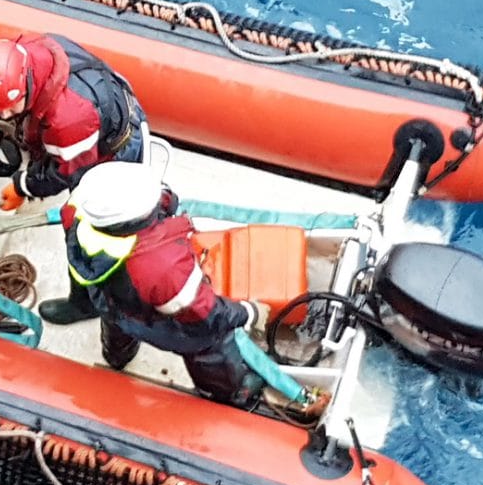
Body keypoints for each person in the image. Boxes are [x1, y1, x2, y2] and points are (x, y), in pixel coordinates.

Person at [42, 161, 329, 419]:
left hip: (114, 304)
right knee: (210, 348)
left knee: (117, 329)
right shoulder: (162, 268)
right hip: (166, 323)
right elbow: (206, 315)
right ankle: (232, 392)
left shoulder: (81, 212)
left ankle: (116, 358)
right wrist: (248, 312)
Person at [0, 33, 146, 210]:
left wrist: (22, 186)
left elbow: (64, 173)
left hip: (115, 150)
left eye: (11, 107)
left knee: (86, 222)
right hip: (100, 110)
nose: (5, 116)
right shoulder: (30, 54)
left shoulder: (69, 121)